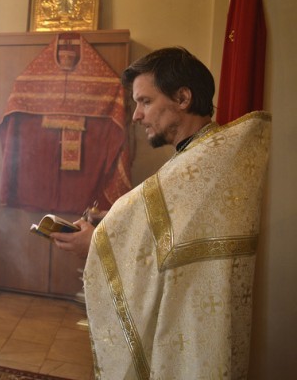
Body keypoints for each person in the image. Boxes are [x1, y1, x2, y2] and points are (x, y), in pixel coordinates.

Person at [51, 47, 271, 379]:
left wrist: (96, 243)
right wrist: (113, 222)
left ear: (182, 98)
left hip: (193, 331)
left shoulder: (202, 164)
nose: (136, 116)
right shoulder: (203, 155)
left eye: (145, 101)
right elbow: (178, 230)